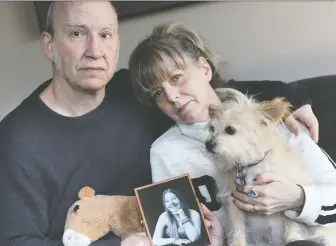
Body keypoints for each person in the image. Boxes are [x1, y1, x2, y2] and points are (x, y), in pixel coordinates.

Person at [0, 2, 321, 246]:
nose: (94, 51)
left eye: (105, 35)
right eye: (76, 33)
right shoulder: (17, 141)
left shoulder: (131, 93)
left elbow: (211, 92)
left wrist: (291, 95)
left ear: (116, 45)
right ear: (49, 45)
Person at [128, 21, 336, 245]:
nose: (172, 96)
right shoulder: (165, 153)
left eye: (176, 77)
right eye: (158, 92)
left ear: (204, 69)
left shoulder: (271, 122)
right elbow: (180, 237)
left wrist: (298, 198)